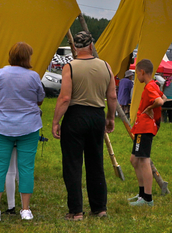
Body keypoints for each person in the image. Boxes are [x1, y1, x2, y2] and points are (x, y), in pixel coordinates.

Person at [0, 42, 45, 221]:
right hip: (29, 126)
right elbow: (40, 99)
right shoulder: (33, 76)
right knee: (26, 168)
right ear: (27, 57)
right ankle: (26, 210)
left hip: (2, 126)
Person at [51, 31, 117, 221]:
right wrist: (110, 118)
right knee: (96, 162)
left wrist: (56, 121)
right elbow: (112, 96)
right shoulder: (105, 66)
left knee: (73, 164)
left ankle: (76, 211)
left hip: (75, 116)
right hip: (97, 115)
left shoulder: (70, 67)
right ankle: (99, 208)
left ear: (75, 48)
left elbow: (65, 98)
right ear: (91, 45)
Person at [128, 59, 165, 207]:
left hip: (145, 128)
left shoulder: (150, 87)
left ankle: (147, 198)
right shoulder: (153, 85)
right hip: (141, 127)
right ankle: (142, 194)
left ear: (142, 72)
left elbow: (160, 101)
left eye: (137, 73)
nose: (137, 76)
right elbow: (163, 97)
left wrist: (150, 109)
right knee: (134, 160)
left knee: (143, 161)